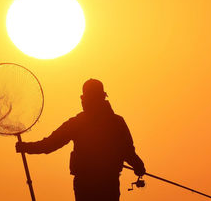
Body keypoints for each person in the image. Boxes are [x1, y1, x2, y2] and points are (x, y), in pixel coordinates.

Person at [16, 78, 146, 201]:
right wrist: (138, 166)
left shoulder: (78, 123)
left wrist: (26, 147)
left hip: (87, 185)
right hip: (107, 185)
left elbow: (50, 144)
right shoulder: (116, 122)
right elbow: (128, 152)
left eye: (85, 98)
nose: (83, 101)